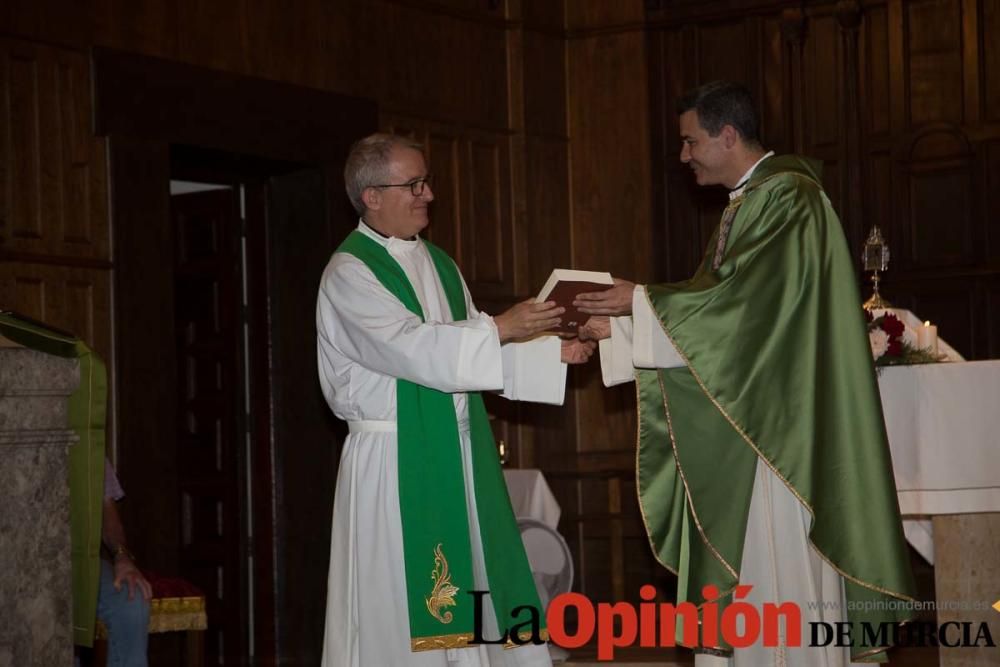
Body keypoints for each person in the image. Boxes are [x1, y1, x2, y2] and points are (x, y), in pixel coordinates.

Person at [575, 81, 915, 666]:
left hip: (779, 437)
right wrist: (623, 330)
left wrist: (639, 300)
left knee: (777, 575)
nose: (683, 156)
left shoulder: (789, 200)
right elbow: (720, 315)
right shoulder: (751, 200)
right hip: (752, 425)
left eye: (691, 141)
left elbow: (742, 315)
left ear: (727, 135)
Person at [316, 133, 594, 667]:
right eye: (413, 184)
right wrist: (501, 327)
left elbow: (467, 359)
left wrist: (550, 355)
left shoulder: (441, 264)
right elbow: (412, 349)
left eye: (427, 181)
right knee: (399, 604)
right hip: (394, 463)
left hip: (459, 454)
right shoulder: (350, 272)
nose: (427, 194)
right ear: (371, 195)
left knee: (475, 584)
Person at [96, 458, 152, 667]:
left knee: (131, 597)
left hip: (79, 564)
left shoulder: (89, 447)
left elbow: (107, 514)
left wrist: (122, 555)